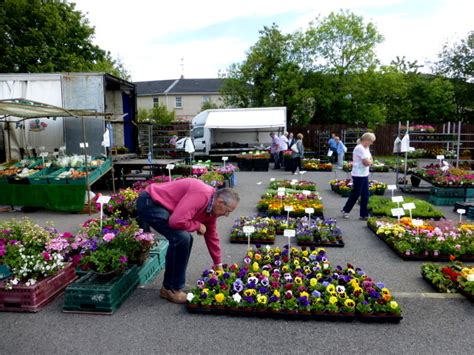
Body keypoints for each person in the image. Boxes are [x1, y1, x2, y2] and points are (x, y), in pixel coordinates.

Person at [136, 178, 240, 304]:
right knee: (181, 238)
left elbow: (211, 235)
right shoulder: (202, 195)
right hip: (150, 202)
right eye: (227, 211)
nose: (227, 215)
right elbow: (176, 221)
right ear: (220, 202)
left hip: (164, 207)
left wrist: (218, 264)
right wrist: (197, 226)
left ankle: (168, 288)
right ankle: (172, 289)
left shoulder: (211, 209)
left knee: (184, 238)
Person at [341, 132, 376, 220]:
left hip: (364, 174)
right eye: (371, 141)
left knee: (365, 195)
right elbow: (366, 162)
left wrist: (370, 161)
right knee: (356, 193)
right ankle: (345, 210)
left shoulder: (366, 147)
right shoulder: (359, 148)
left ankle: (363, 214)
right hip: (358, 174)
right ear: (366, 140)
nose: (372, 143)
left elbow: (370, 159)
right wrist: (370, 162)